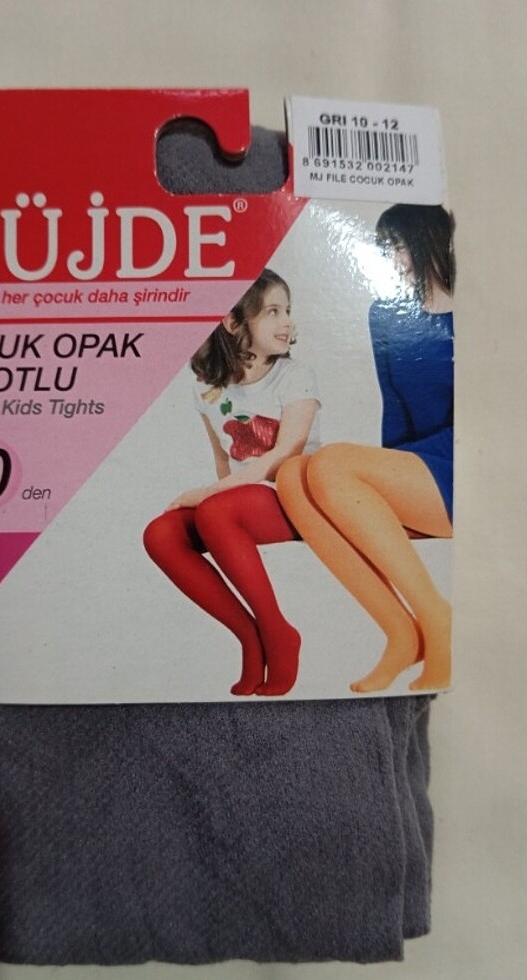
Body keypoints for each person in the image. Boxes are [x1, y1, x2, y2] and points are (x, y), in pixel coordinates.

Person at [276, 204, 455, 693]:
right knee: (294, 476)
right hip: (422, 469)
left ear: (426, 240)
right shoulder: (386, 315)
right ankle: (401, 633)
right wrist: (386, 484)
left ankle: (437, 619)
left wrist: (389, 475)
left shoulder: (475, 313)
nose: (392, 259)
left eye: (399, 246)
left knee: (331, 463)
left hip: (468, 473)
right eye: (385, 249)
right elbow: (394, 405)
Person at [143, 269, 320, 697]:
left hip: (297, 494)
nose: (287, 322)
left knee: (214, 509)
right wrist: (217, 497)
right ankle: (249, 635)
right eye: (273, 311)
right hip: (243, 501)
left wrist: (208, 497)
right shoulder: (206, 388)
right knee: (161, 534)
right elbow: (224, 458)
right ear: (233, 321)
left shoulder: (294, 375)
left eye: (288, 311)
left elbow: (286, 452)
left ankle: (278, 631)